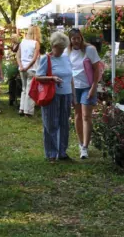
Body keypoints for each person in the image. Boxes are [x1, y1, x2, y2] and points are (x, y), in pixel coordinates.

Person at [35, 31, 74, 162]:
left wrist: (73, 95)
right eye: (59, 48)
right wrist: (51, 78)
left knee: (64, 124)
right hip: (52, 95)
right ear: (53, 46)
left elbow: (71, 77)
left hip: (66, 94)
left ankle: (62, 152)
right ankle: (51, 153)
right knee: (51, 124)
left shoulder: (66, 57)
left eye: (63, 48)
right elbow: (38, 77)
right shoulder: (46, 58)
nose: (61, 51)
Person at [65, 28, 101, 159]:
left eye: (78, 38)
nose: (76, 41)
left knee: (87, 116)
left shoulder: (90, 50)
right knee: (78, 115)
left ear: (81, 38)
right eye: (73, 38)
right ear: (70, 39)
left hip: (87, 86)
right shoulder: (67, 52)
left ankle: (85, 146)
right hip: (74, 87)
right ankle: (81, 143)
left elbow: (97, 68)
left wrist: (94, 86)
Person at [18, 26, 41, 116]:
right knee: (30, 89)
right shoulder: (36, 43)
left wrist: (21, 66)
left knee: (23, 89)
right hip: (31, 69)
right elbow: (34, 58)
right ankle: (28, 111)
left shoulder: (22, 42)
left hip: (22, 68)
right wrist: (27, 67)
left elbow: (18, 56)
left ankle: (21, 108)